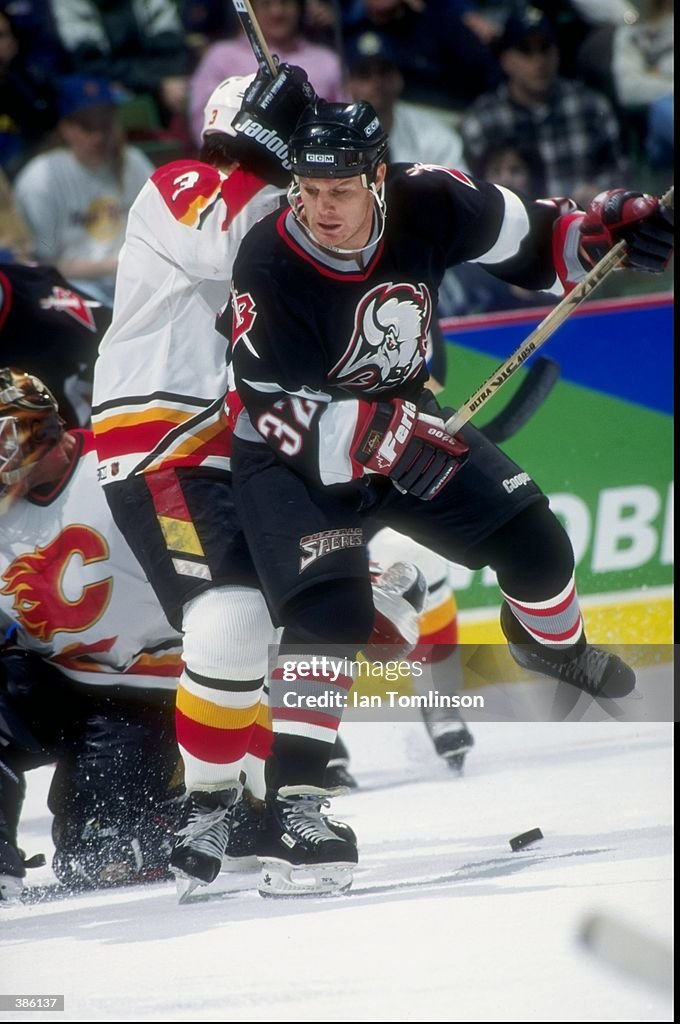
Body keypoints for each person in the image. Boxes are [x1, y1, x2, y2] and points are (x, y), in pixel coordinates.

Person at [225, 98, 673, 896]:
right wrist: (390, 441)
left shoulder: (431, 197)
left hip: (402, 415)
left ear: (377, 178)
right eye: (307, 188)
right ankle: (296, 806)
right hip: (288, 453)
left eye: (340, 189)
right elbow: (274, 405)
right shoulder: (268, 257)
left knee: (536, 543)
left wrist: (611, 231)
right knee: (330, 609)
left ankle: (550, 646)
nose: (321, 207)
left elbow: (541, 238)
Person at [91, 66, 422, 901]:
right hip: (167, 451)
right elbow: (224, 240)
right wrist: (277, 147)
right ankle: (213, 806)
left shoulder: (302, 223)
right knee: (230, 622)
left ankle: (280, 802)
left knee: (342, 608)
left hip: (266, 451)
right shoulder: (183, 183)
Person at [0, 368, 185, 901]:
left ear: (35, 427)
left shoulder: (124, 463)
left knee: (99, 854)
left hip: (149, 690)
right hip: (52, 680)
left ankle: (198, 794)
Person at [459, 6, 628, 209]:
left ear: (557, 53)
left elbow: (620, 170)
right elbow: (469, 192)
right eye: (525, 50)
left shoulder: (590, 106)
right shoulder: (482, 120)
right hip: (513, 226)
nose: (539, 61)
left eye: (545, 48)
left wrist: (599, 190)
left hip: (584, 223)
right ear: (505, 59)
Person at [13, 74, 154, 305]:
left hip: (136, 279)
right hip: (71, 287)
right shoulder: (40, 179)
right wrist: (114, 265)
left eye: (105, 124)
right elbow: (43, 263)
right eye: (87, 126)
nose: (98, 136)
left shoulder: (134, 162)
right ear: (67, 128)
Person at [188, 0, 347, 148]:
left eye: (285, 2)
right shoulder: (220, 56)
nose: (277, 12)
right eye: (266, 3)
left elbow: (344, 123)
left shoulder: (327, 61)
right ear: (251, 8)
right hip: (240, 162)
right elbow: (202, 121)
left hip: (313, 165)